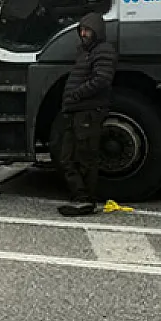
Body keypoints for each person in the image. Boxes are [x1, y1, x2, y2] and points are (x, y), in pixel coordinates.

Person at [56, 12, 116, 217]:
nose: (83, 34)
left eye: (87, 30)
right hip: (77, 111)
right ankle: (79, 196)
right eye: (81, 30)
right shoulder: (85, 52)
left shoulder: (103, 50)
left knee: (85, 156)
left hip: (88, 112)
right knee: (67, 157)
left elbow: (102, 79)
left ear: (97, 31)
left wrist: (77, 94)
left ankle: (86, 199)